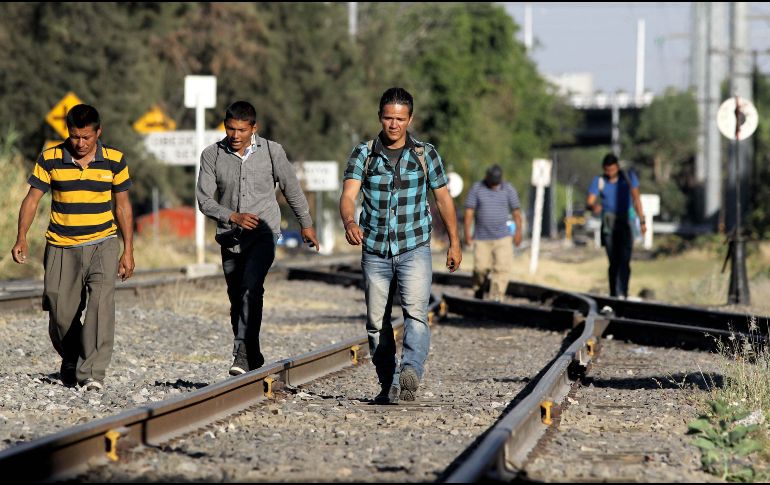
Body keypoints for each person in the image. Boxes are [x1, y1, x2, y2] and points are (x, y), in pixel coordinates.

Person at [339, 87, 462, 405]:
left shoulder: (425, 154)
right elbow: (349, 195)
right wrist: (350, 222)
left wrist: (454, 241)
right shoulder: (363, 154)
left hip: (414, 247)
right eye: (388, 118)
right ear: (380, 117)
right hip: (375, 250)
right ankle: (388, 382)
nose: (393, 125)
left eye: (400, 119)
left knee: (416, 315)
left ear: (410, 119)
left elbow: (443, 198)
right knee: (376, 322)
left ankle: (409, 371)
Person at [11, 104, 134, 391]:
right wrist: (21, 236)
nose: (80, 143)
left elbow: (123, 206)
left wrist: (127, 250)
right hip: (61, 245)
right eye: (75, 136)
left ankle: (92, 373)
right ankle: (72, 356)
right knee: (59, 309)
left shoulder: (114, 159)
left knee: (100, 308)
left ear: (98, 133)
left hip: (102, 243)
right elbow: (32, 199)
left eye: (86, 138)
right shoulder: (50, 158)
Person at [196, 100, 319, 376]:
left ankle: (240, 353)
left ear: (254, 128)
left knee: (251, 287)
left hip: (264, 233)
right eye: (230, 129)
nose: (235, 135)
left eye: (241, 129)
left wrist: (306, 224)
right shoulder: (212, 155)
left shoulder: (273, 152)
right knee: (236, 296)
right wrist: (232, 216)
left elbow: (292, 189)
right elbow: (204, 200)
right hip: (230, 236)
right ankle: (252, 350)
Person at [586, 153, 646, 299]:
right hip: (609, 223)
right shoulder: (599, 180)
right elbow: (589, 201)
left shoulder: (628, 177)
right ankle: (614, 293)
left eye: (612, 170)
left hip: (626, 221)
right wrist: (594, 207)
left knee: (625, 259)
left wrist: (642, 220)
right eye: (607, 170)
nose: (610, 173)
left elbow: (636, 198)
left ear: (617, 167)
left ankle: (624, 292)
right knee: (613, 260)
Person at [463, 164, 523, 301]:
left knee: (501, 268)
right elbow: (469, 212)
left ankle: (497, 297)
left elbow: (516, 212)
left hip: (503, 237)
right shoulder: (477, 188)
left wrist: (519, 232)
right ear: (487, 177)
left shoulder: (508, 189)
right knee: (480, 269)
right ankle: (479, 288)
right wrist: (467, 233)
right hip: (481, 237)